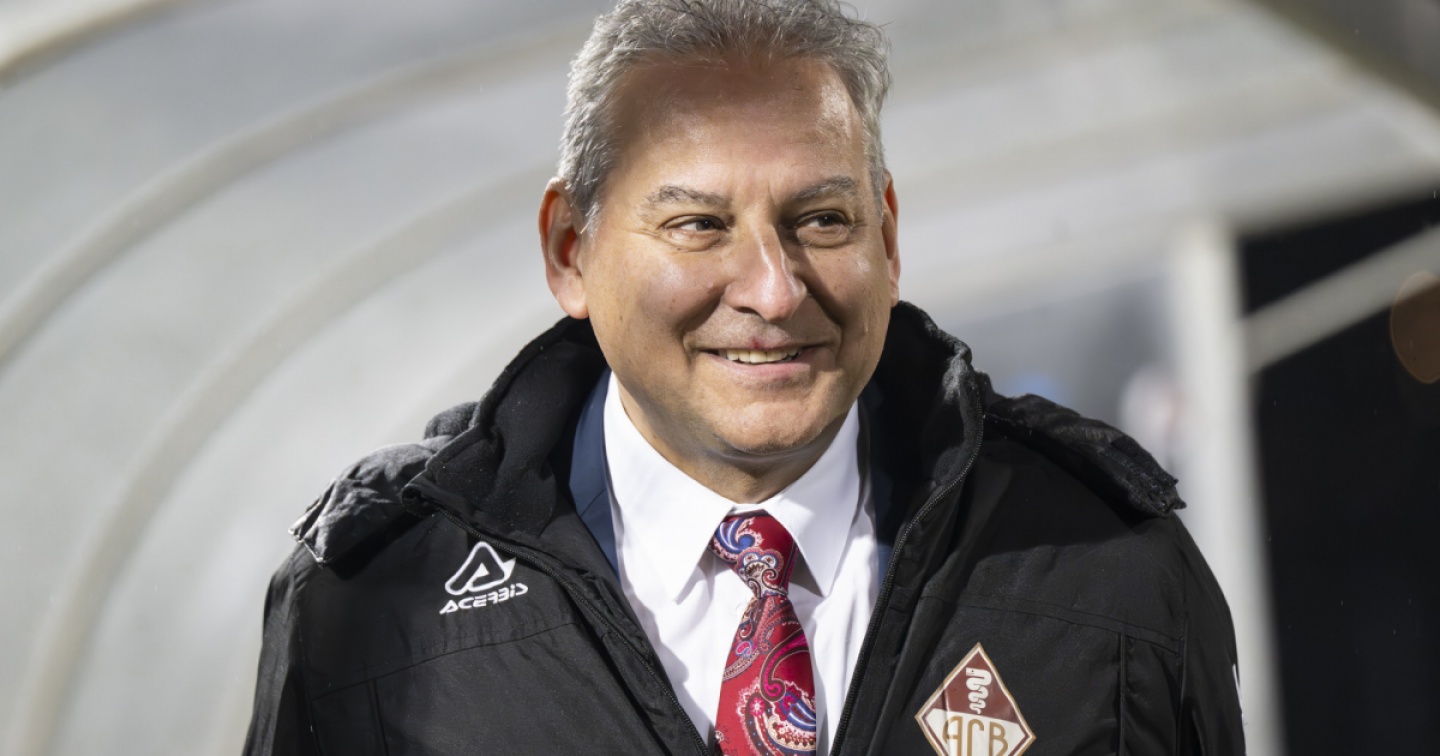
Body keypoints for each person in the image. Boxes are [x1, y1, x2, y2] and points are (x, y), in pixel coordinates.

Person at [243, 1, 1245, 754]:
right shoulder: (374, 605)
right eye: (699, 225)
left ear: (888, 236)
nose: (773, 289)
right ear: (569, 250)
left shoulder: (1106, 567)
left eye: (823, 221)